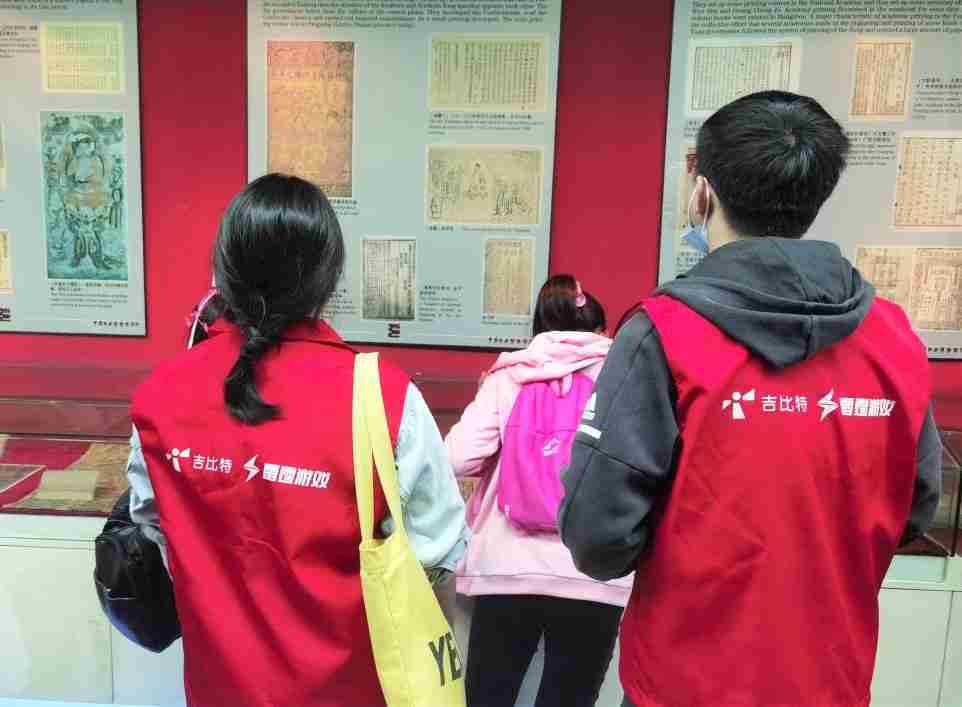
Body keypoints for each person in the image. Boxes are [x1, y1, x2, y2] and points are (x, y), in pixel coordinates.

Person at [560, 91, 943, 707]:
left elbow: (598, 538)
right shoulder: (894, 338)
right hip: (830, 681)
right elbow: (914, 509)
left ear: (702, 194)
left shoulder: (662, 333)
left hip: (682, 687)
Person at [125, 174, 468, 706]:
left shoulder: (161, 394)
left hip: (219, 688)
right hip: (353, 689)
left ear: (223, 271)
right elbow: (438, 550)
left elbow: (151, 526)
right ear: (328, 276)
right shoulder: (383, 395)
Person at [446, 275, 632, 707]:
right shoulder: (625, 376)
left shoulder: (510, 374)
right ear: (601, 330)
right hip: (592, 569)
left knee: (489, 697)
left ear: (539, 328)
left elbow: (455, 458)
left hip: (507, 569)